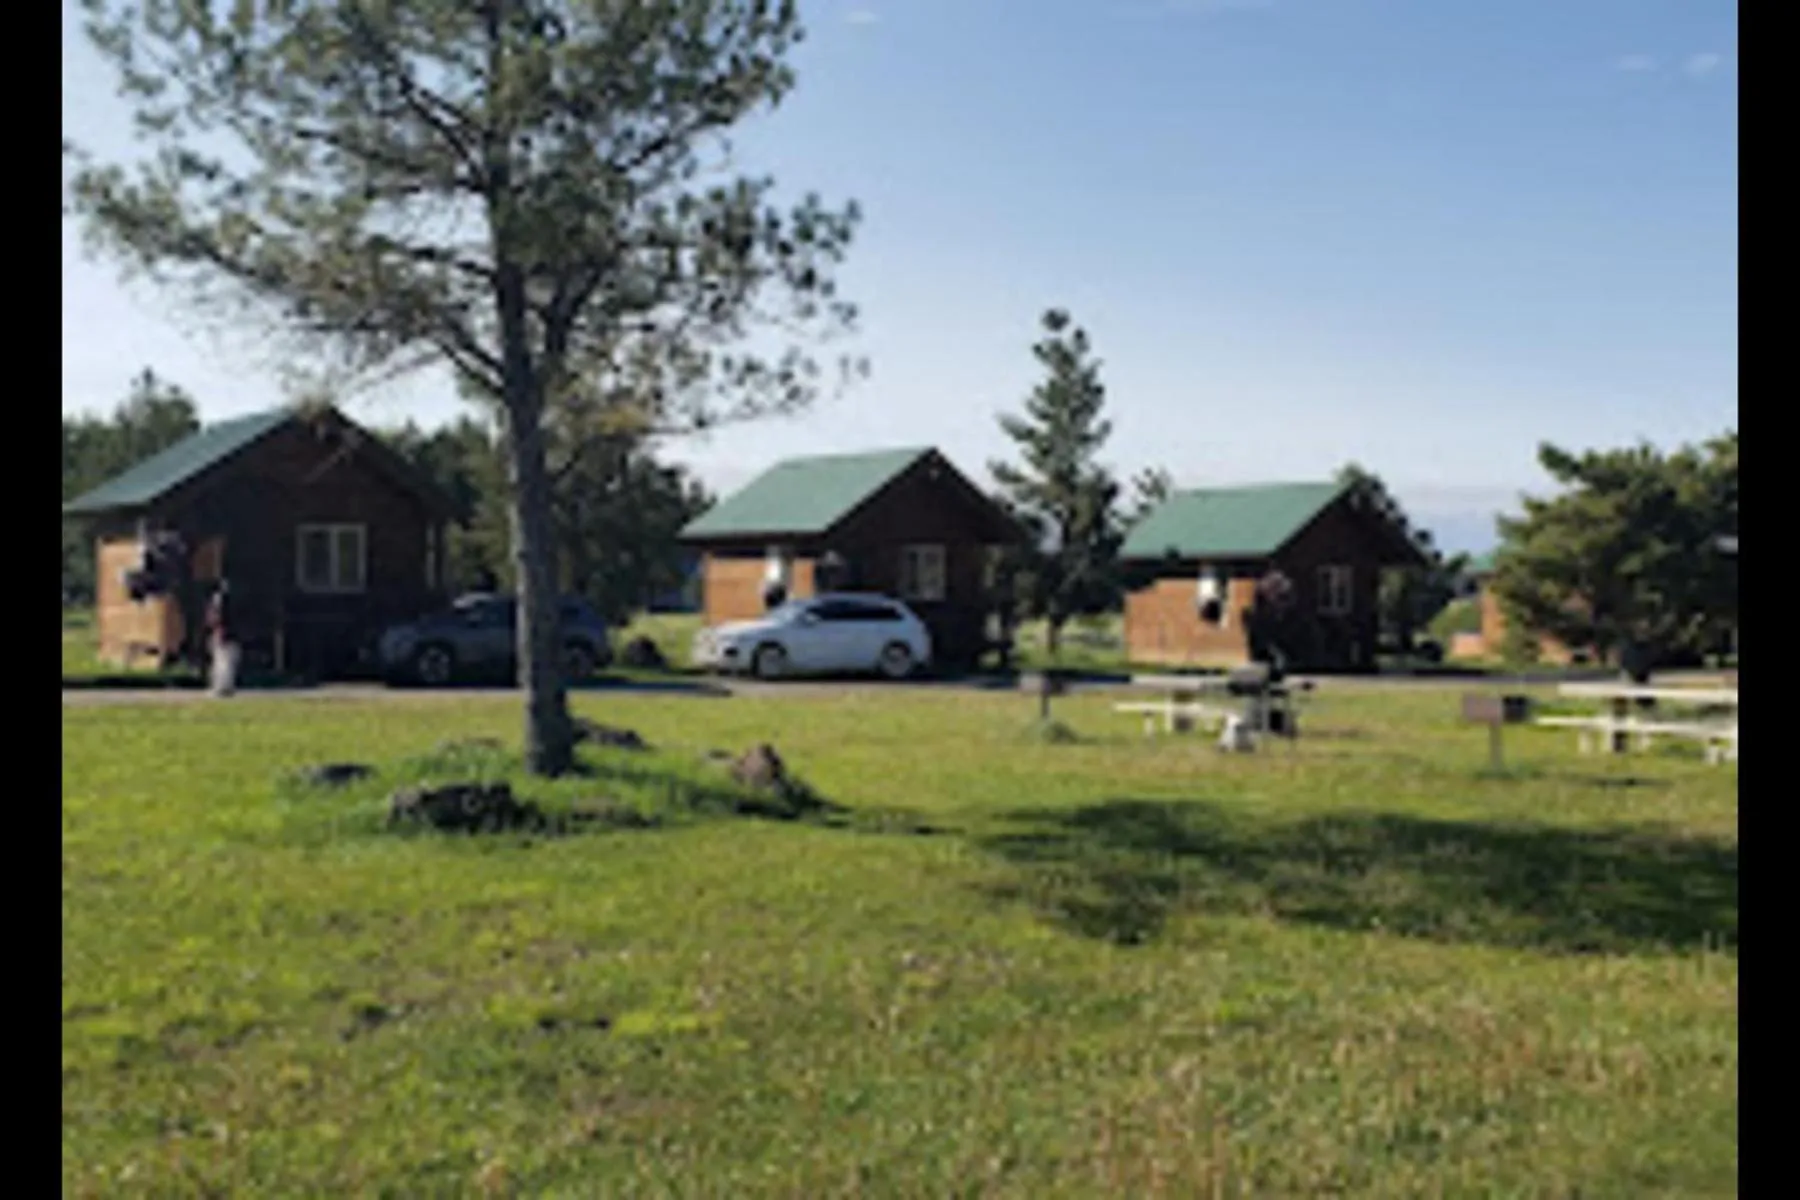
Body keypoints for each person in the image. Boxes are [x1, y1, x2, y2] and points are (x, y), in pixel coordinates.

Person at [206, 580, 238, 696]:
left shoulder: (219, 600)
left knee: (222, 661)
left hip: (223, 633)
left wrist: (218, 629)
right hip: (228, 634)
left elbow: (218, 617)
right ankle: (226, 686)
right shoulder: (230, 601)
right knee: (226, 661)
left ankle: (222, 687)